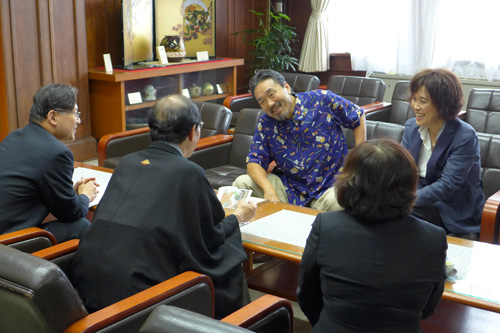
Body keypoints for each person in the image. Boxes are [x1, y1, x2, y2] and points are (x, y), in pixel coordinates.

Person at [71, 95, 257, 318]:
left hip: (86, 284)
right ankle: (242, 321)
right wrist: (238, 216)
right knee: (230, 259)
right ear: (193, 132)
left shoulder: (128, 161)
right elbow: (210, 238)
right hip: (139, 296)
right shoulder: (189, 172)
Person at [297, 139, 447, 332]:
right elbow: (428, 307)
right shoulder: (434, 237)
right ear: (410, 184)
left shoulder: (326, 226)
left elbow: (307, 295)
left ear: (349, 181)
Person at [233, 69, 366, 211]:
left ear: (286, 87)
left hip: (329, 187)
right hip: (290, 189)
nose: (270, 103)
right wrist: (269, 190)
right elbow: (254, 161)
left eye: (272, 94)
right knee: (241, 184)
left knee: (340, 202)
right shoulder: (266, 122)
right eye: (262, 101)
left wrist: (357, 160)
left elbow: (357, 115)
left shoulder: (321, 100)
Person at [0, 84, 97, 242]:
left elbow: (26, 188)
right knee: (81, 225)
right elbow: (71, 212)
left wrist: (68, 191)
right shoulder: (57, 153)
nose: (78, 120)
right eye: (75, 113)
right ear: (52, 117)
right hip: (10, 243)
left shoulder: (15, 136)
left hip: (5, 227)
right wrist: (86, 195)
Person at [401, 68, 485, 240]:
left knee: (399, 220)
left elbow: (447, 186)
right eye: (414, 99)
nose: (415, 106)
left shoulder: (464, 136)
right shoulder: (412, 127)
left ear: (442, 104)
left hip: (453, 206)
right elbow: (401, 169)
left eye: (422, 101)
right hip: (418, 196)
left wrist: (404, 200)